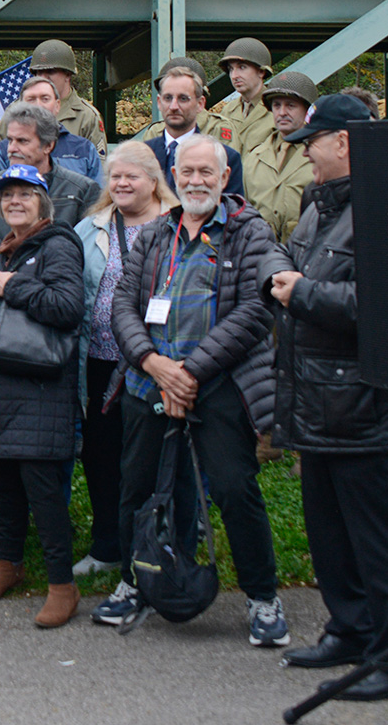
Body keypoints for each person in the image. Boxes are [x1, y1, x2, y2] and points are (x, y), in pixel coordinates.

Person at [263, 92, 388, 702]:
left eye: (314, 141)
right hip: (318, 404)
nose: (304, 152)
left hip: (370, 408)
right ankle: (350, 632)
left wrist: (300, 292)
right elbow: (298, 263)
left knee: (381, 540)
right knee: (330, 533)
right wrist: (283, 275)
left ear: (346, 143)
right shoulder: (321, 205)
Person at [95, 133, 286, 648]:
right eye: (187, 172)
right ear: (172, 177)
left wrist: (190, 373)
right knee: (135, 489)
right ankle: (134, 583)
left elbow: (253, 311)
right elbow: (123, 307)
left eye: (207, 172)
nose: (196, 180)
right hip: (148, 382)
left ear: (225, 179)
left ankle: (262, 597)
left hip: (219, 384)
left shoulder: (249, 232)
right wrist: (158, 366)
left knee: (233, 489)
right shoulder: (157, 234)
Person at [0, 164, 86, 624]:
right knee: (4, 484)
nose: (15, 202)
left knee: (43, 492)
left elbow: (68, 308)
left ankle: (61, 585)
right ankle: (10, 563)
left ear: (42, 201)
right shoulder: (1, 248)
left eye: (25, 194)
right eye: (7, 195)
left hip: (37, 387)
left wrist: (16, 286)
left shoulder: (59, 244)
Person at [69, 143, 175, 578]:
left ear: (153, 181)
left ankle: (156, 542)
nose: (123, 184)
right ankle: (108, 544)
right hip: (98, 361)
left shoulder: (177, 226)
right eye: (115, 177)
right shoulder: (90, 227)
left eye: (132, 176)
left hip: (155, 364)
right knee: (100, 454)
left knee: (151, 457)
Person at [0, 102, 100, 229]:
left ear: (48, 146)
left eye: (22, 141)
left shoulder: (81, 190)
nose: (12, 148)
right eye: (10, 140)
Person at [146, 66, 250, 205]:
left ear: (200, 104)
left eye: (183, 98)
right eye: (168, 98)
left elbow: (234, 216)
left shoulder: (227, 158)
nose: (174, 106)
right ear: (159, 102)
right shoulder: (144, 156)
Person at [243, 71, 319, 243]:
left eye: (290, 105)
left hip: (307, 252)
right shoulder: (254, 158)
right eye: (276, 106)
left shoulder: (320, 157)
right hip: (261, 254)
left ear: (308, 110)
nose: (282, 112)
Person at [6, 76, 102, 184]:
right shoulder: (3, 150)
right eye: (31, 99)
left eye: (45, 99)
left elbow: (98, 195)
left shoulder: (84, 149)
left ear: (57, 105)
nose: (38, 105)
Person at [206, 38, 278, 157]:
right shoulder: (227, 111)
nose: (234, 76)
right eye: (231, 69)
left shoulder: (277, 109)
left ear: (261, 71)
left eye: (242, 67)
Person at [29, 39, 106, 151]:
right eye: (39, 72)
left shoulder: (86, 116)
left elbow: (98, 165)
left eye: (50, 72)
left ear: (68, 75)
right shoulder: (19, 109)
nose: (43, 78)